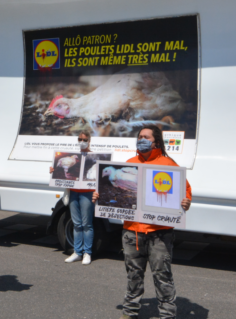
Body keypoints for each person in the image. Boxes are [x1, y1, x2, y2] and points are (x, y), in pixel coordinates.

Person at [93, 125, 191, 319]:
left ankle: (167, 315)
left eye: (146, 137)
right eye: (139, 137)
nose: (141, 140)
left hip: (160, 234)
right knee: (133, 275)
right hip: (132, 232)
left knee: (162, 276)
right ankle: (129, 312)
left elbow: (185, 191)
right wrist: (99, 196)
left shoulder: (168, 164)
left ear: (156, 142)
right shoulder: (130, 163)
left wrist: (185, 201)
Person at [50, 131, 95, 265]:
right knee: (76, 224)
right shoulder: (71, 156)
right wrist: (54, 172)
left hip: (87, 193)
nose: (82, 141)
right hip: (73, 192)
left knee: (87, 224)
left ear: (89, 141)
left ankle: (87, 253)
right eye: (80, 139)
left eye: (84, 139)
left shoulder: (93, 157)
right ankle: (77, 252)